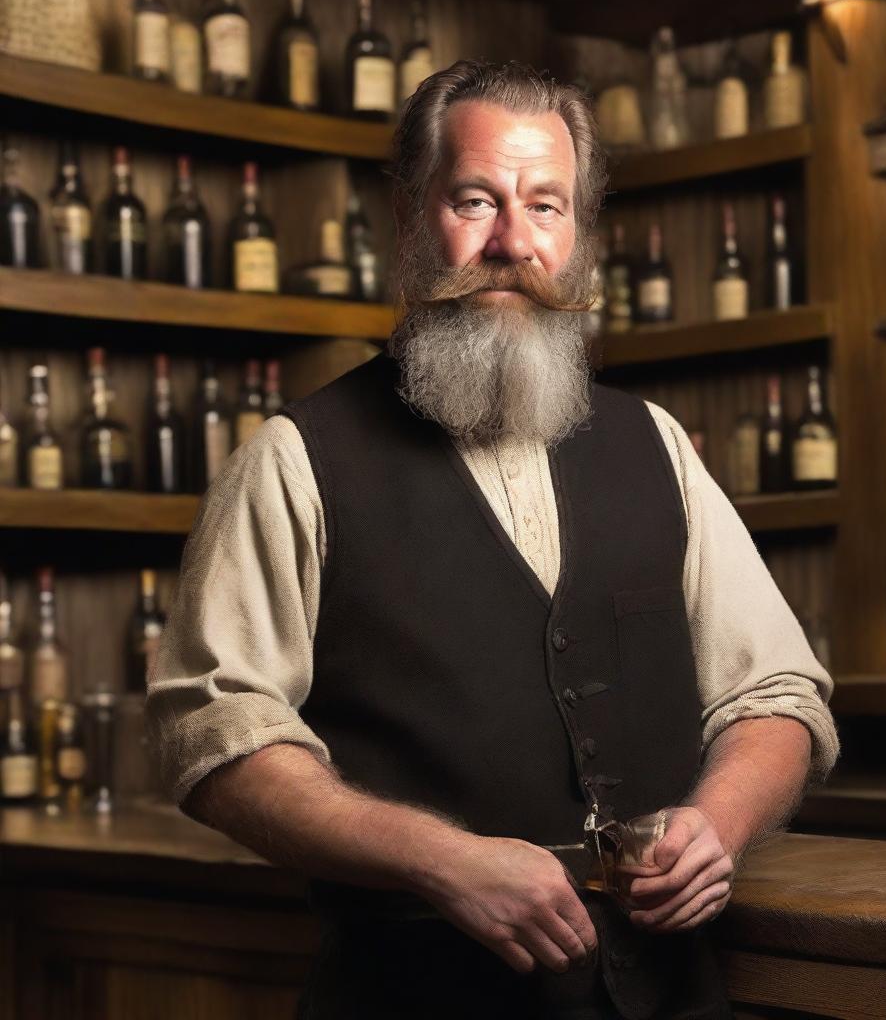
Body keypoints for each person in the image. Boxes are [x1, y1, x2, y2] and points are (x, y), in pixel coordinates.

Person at [146, 60, 840, 1019]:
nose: (512, 241)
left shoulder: (657, 445)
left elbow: (775, 693)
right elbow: (213, 736)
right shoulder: (297, 460)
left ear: (579, 235)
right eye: (476, 199)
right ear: (408, 217)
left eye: (546, 206)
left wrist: (717, 826)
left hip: (672, 995)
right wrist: (441, 860)